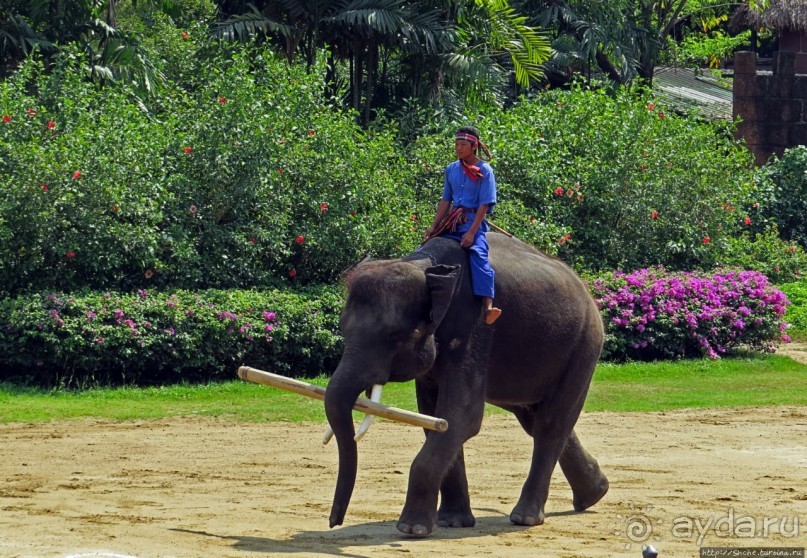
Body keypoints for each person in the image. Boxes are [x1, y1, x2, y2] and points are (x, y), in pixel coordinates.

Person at [423, 126, 502, 325]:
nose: (458, 148)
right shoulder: (451, 169)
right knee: (424, 249)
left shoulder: (485, 171)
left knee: (479, 256)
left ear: (473, 146)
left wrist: (472, 232)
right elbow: (445, 201)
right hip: (452, 222)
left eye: (463, 145)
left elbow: (484, 204)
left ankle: (488, 306)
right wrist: (434, 226)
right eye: (457, 144)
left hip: (472, 223)